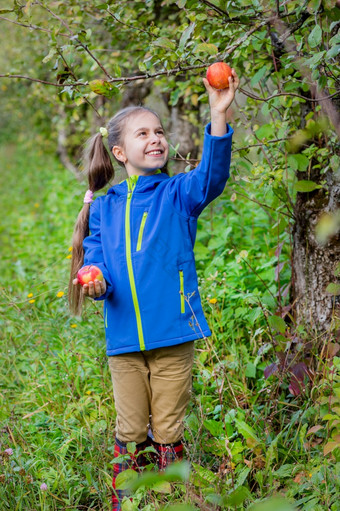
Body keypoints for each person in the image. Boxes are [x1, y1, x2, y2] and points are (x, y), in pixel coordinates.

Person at [68, 70, 239, 510]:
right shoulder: (104, 209)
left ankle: (170, 496)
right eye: (143, 133)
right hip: (123, 342)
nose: (156, 138)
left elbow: (212, 176)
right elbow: (96, 262)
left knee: (166, 426)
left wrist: (218, 115)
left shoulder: (180, 193)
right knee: (130, 427)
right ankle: (127, 499)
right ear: (121, 152)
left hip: (173, 335)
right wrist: (96, 283)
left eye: (159, 131)